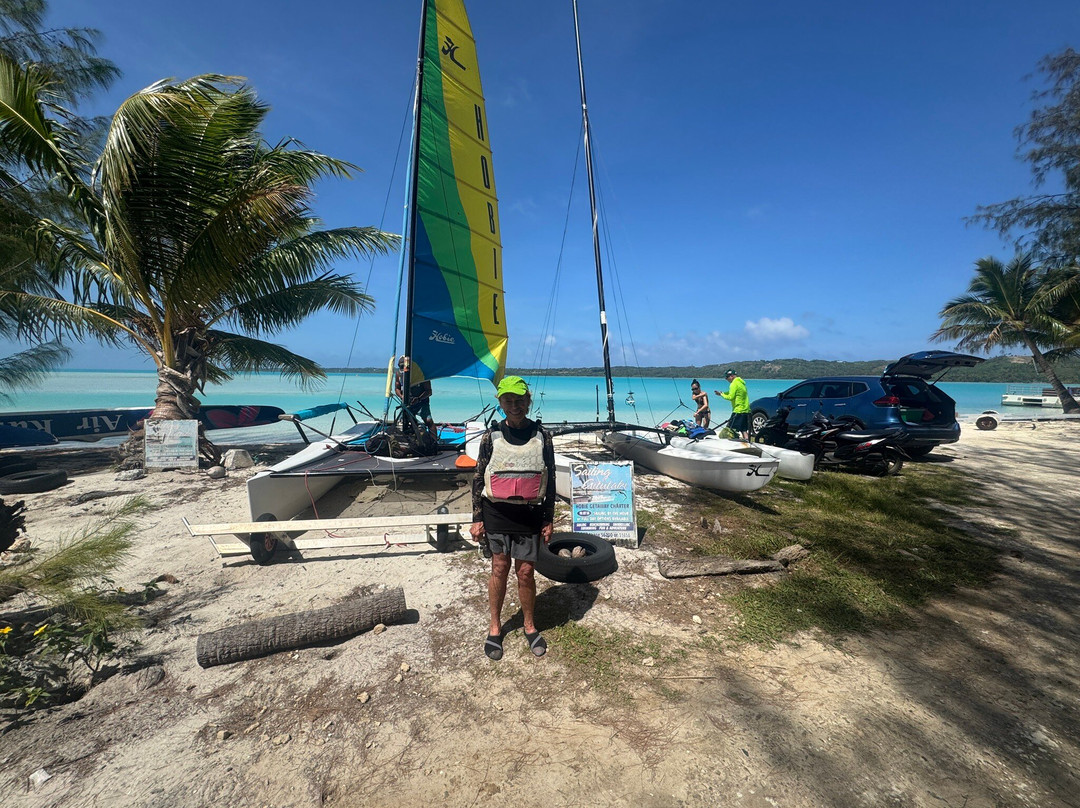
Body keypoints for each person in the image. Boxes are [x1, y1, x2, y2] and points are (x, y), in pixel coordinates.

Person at [469, 376, 556, 661]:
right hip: (496, 512)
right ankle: (495, 628)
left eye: (520, 400)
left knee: (526, 572)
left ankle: (529, 626)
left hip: (529, 513)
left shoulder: (543, 436)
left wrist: (548, 518)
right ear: (500, 403)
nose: (515, 405)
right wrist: (477, 517)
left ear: (528, 401)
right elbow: (478, 478)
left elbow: (550, 479)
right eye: (508, 400)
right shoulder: (490, 436)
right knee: (499, 568)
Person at [394, 356, 435, 437]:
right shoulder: (399, 374)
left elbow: (429, 391)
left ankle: (434, 441)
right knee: (408, 422)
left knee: (428, 421)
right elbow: (397, 389)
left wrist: (419, 398)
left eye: (405, 367)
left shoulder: (422, 374)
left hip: (422, 402)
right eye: (401, 367)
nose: (403, 369)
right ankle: (414, 439)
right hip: (407, 403)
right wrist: (402, 396)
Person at [715, 368, 750, 440]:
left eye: (727, 377)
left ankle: (731, 445)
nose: (726, 379)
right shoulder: (741, 383)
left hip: (738, 411)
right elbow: (731, 392)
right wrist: (722, 393)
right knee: (743, 430)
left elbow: (730, 397)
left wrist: (722, 395)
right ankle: (747, 442)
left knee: (729, 430)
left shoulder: (733, 384)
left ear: (732, 376)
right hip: (746, 410)